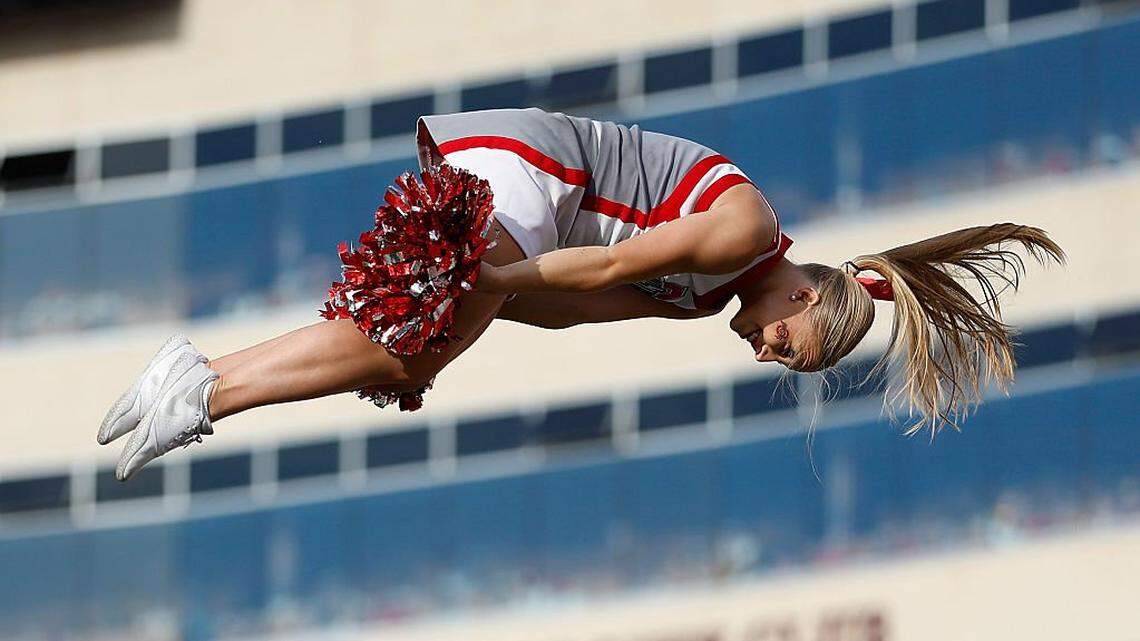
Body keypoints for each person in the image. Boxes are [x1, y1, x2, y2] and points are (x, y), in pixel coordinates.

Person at [98, 108, 1064, 481]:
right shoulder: (748, 229)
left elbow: (564, 305)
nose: (767, 353)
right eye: (789, 345)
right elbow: (598, 266)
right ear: (804, 296)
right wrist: (477, 290)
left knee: (410, 353)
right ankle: (203, 393)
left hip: (538, 207)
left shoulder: (697, 301)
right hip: (538, 172)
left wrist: (479, 300)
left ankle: (201, 380)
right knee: (420, 341)